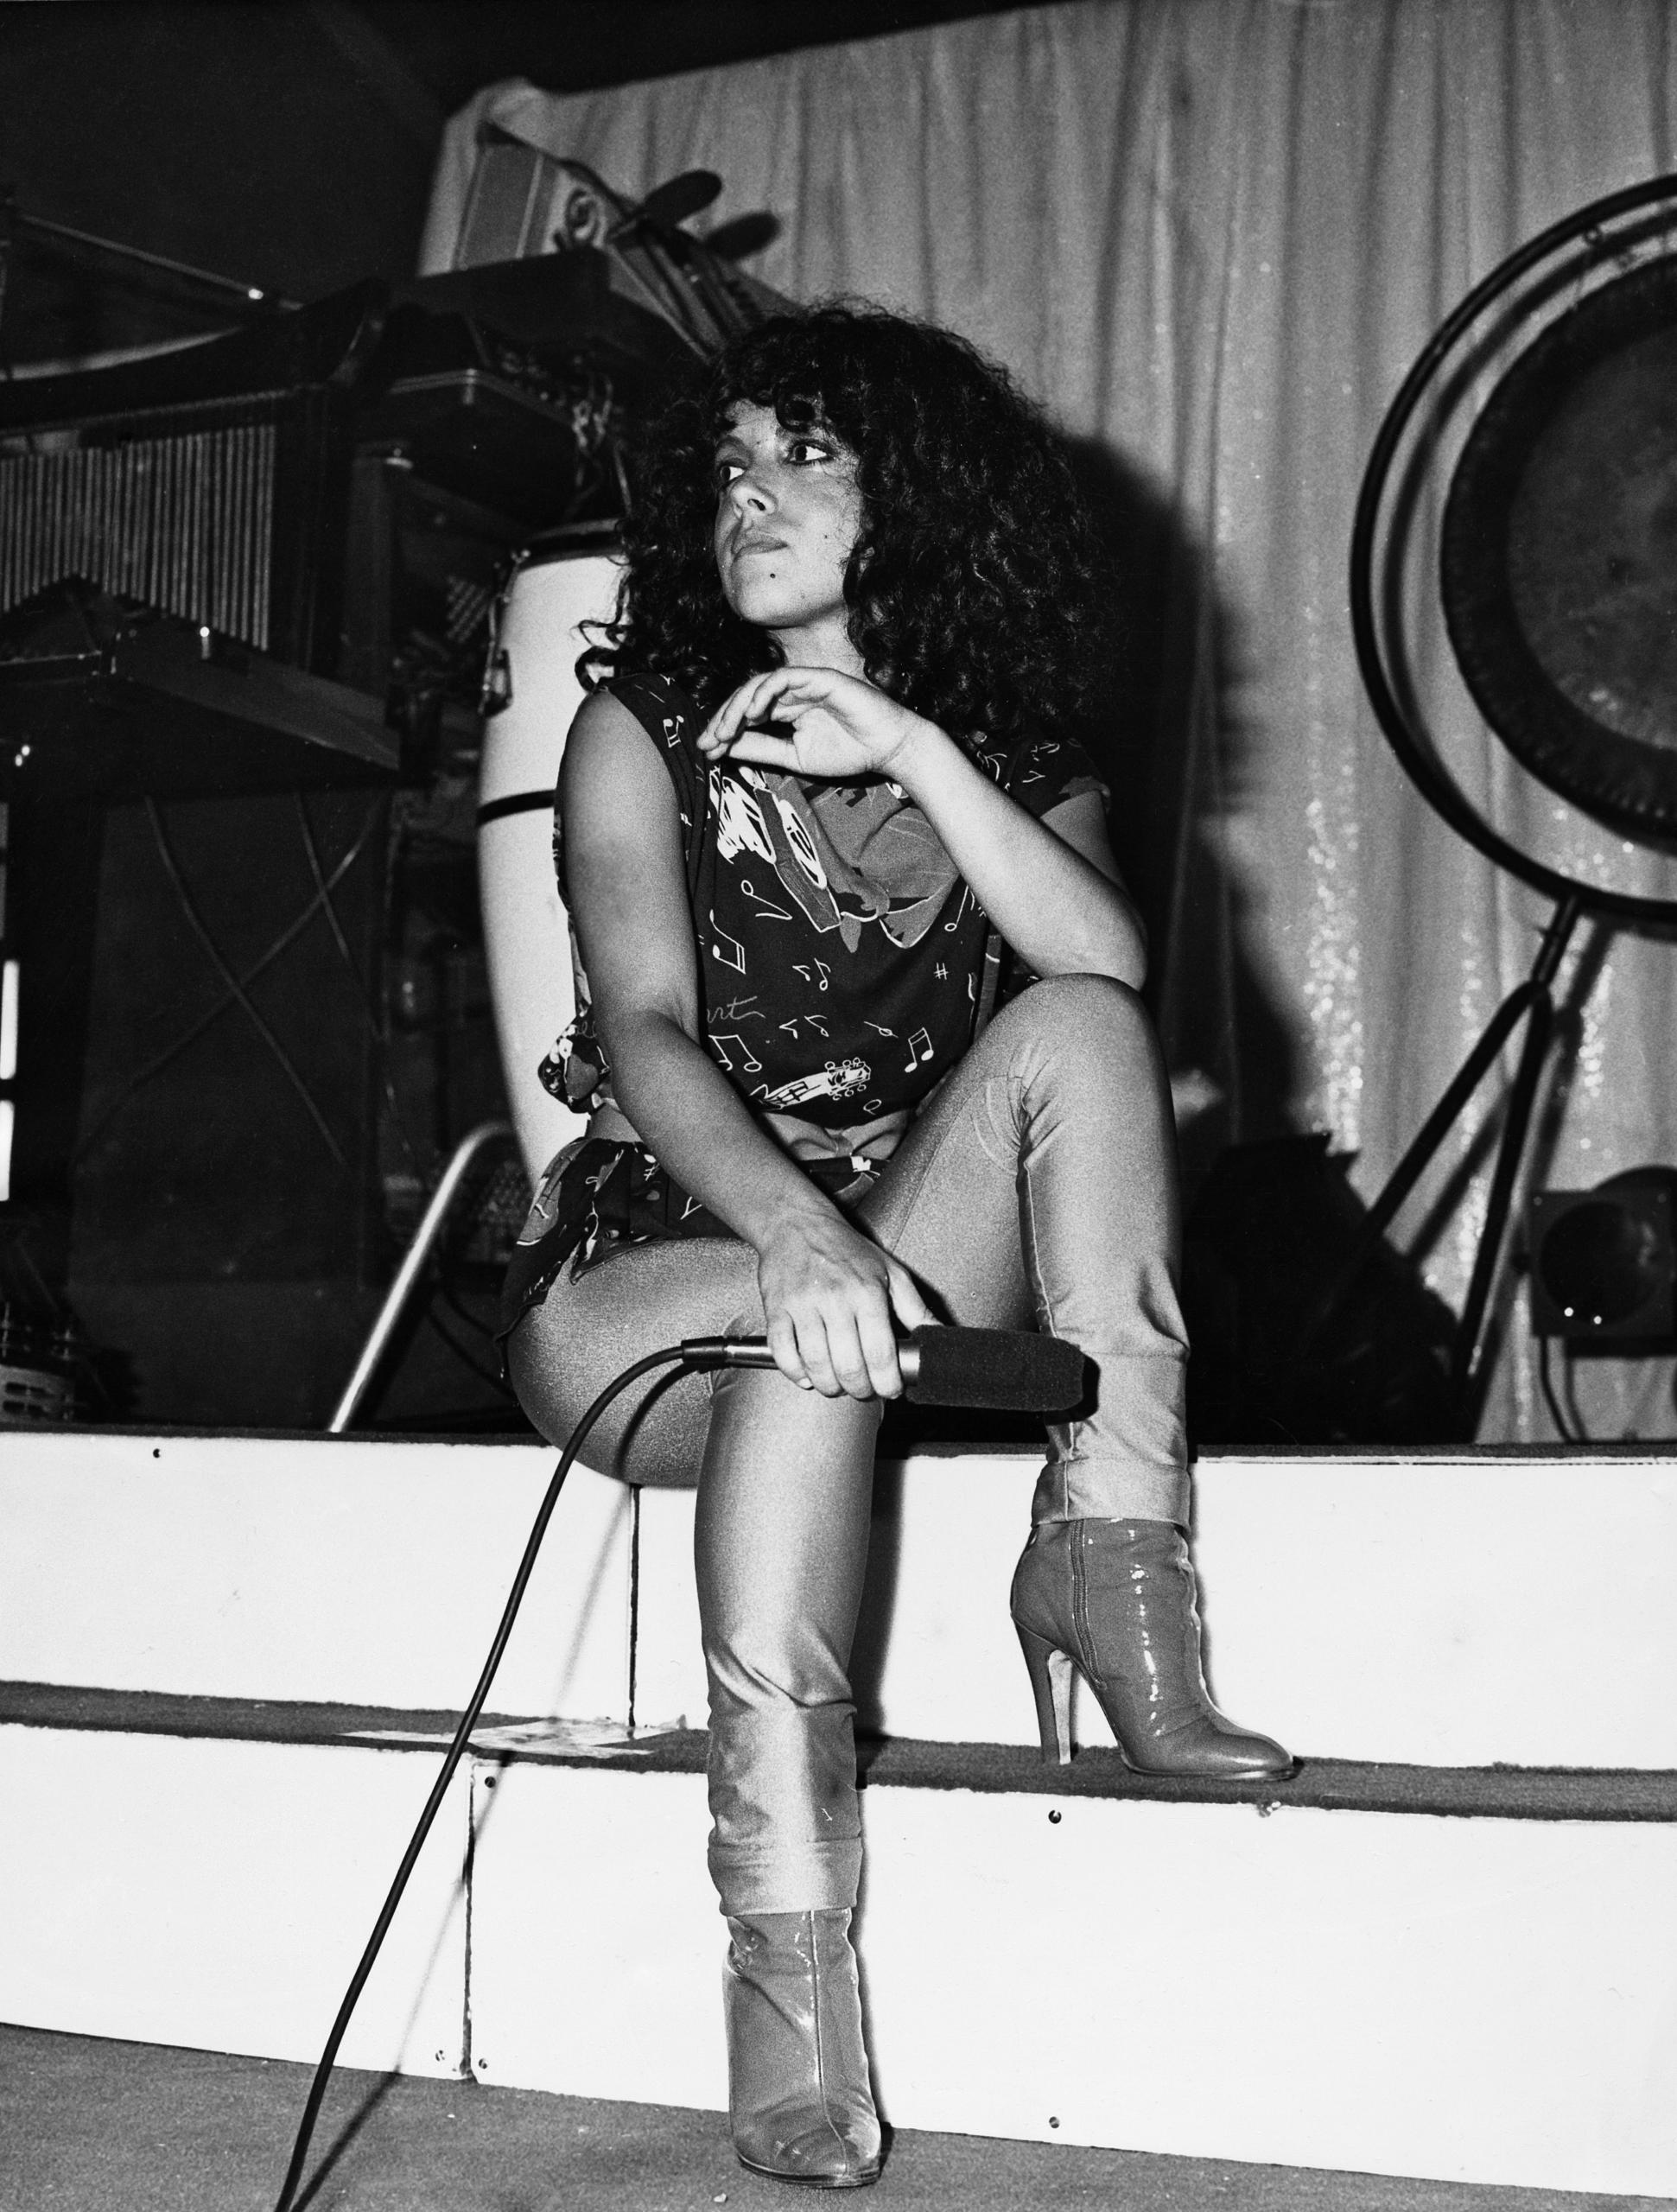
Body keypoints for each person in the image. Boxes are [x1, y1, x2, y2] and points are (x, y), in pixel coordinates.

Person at [502, 304, 1289, 2191]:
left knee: (1079, 1026)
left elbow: (1103, 969)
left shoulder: (1000, 750)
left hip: (904, 1256)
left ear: (917, 498)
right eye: (727, 465)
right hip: (655, 1275)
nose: (747, 495)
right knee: (804, 1329)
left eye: (806, 455)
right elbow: (644, 1029)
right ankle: (784, 1965)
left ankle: (1110, 1561)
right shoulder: (640, 730)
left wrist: (916, 746)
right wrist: (795, 1234)